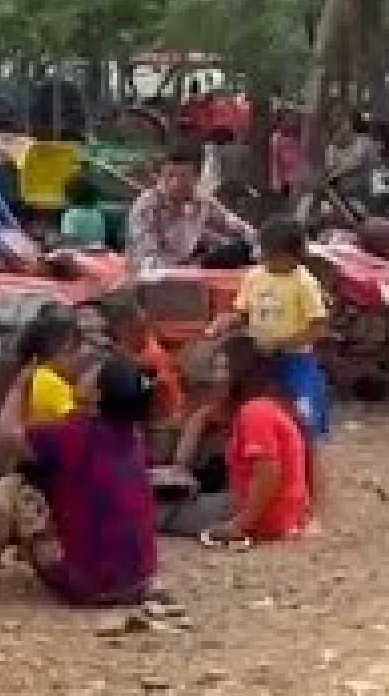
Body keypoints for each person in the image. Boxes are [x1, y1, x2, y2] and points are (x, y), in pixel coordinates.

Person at [0, 356, 158, 604]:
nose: (85, 371)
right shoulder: (133, 435)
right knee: (50, 490)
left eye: (93, 372)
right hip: (139, 580)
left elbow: (5, 437)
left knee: (10, 490)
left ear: (97, 395)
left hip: (92, 586)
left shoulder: (73, 434)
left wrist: (19, 386)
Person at [208, 216, 330, 494]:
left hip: (295, 361)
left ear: (293, 256)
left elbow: (318, 328)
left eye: (272, 256)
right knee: (252, 420)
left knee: (305, 425)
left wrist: (282, 343)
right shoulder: (254, 277)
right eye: (264, 254)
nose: (266, 260)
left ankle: (314, 493)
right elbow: (242, 313)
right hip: (258, 360)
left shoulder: (305, 284)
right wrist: (225, 322)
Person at [164, 335, 314, 546]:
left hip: (258, 514)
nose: (216, 376)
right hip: (277, 510)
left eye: (222, 368)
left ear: (241, 372)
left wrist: (239, 524)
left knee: (157, 510)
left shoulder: (254, 412)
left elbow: (268, 472)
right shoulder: (271, 404)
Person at [123, 142, 253, 271]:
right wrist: (183, 272)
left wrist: (259, 241)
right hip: (151, 270)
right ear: (160, 177)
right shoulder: (146, 206)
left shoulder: (201, 200)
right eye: (170, 176)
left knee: (243, 248)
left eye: (184, 176)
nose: (176, 184)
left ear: (196, 178)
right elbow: (147, 255)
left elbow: (233, 225)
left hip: (188, 263)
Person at [98, 295, 184, 455]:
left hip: (162, 427)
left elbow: (150, 388)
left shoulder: (150, 356)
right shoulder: (120, 354)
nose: (146, 335)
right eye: (140, 329)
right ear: (121, 331)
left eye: (146, 328)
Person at [16, 312, 83, 427]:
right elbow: (79, 429)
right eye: (74, 349)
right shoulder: (51, 381)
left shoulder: (38, 375)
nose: (79, 357)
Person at [57, 173, 109, 249]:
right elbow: (101, 240)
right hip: (95, 255)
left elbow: (68, 241)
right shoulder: (97, 214)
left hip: (77, 256)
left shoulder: (70, 215)